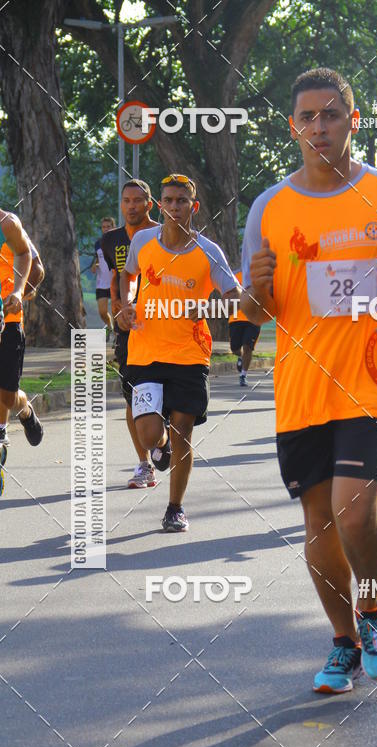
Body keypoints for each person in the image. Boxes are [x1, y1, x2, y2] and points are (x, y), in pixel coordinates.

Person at [241, 68, 377, 692]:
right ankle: (344, 641)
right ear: (293, 127)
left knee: (353, 513)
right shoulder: (268, 208)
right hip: (301, 386)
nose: (318, 127)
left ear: (352, 121)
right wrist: (258, 287)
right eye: (307, 117)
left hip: (370, 377)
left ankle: (374, 606)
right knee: (318, 526)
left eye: (331, 115)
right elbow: (251, 314)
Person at [119, 173, 240, 532]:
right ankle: (160, 449)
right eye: (168, 200)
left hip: (190, 353)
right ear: (160, 205)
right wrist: (127, 304)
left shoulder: (208, 251)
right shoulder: (142, 240)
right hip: (145, 352)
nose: (174, 207)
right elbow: (128, 276)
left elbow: (233, 301)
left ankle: (175, 508)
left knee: (183, 429)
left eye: (181, 201)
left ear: (193, 206)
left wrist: (208, 311)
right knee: (148, 434)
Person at [101, 180, 158, 489]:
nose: (132, 206)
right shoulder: (109, 241)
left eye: (138, 200)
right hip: (128, 330)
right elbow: (111, 280)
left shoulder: (164, 234)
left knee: (166, 399)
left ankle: (160, 441)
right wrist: (117, 310)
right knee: (132, 398)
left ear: (149, 204)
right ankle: (144, 463)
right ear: (121, 204)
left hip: (164, 327)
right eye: (126, 200)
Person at [0, 211, 44, 496]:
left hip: (9, 319)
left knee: (5, 394)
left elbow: (31, 261)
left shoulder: (6, 223)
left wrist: (19, 292)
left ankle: (25, 409)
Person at [228, 271, 260, 387]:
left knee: (248, 347)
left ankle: (243, 375)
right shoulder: (234, 276)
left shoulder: (258, 275)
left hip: (253, 318)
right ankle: (241, 357)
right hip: (236, 318)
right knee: (234, 348)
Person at [92, 216, 115, 332]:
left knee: (117, 312)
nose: (106, 229)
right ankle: (110, 327)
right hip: (102, 283)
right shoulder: (97, 244)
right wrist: (95, 266)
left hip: (115, 282)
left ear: (113, 227)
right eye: (103, 227)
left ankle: (117, 336)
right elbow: (98, 259)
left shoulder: (117, 242)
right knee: (102, 312)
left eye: (108, 226)